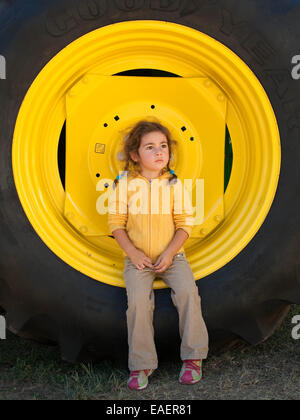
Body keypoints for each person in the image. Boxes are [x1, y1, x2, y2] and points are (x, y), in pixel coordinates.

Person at [108, 120, 209, 391]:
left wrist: (170, 252)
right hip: (137, 260)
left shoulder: (174, 184)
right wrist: (132, 252)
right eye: (150, 147)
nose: (158, 152)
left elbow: (185, 224)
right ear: (135, 155)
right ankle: (142, 364)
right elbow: (116, 223)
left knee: (188, 294)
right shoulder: (126, 184)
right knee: (138, 303)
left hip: (173, 258)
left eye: (163, 146)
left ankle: (193, 358)